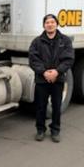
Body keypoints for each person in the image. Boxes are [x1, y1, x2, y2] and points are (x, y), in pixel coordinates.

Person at [28, 14, 75, 143]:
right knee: (40, 106)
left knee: (56, 106)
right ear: (44, 25)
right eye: (47, 22)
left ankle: (55, 130)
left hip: (57, 79)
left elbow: (69, 59)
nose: (50, 24)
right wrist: (44, 72)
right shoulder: (37, 42)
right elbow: (33, 59)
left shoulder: (65, 41)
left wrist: (56, 72)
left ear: (56, 24)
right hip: (42, 79)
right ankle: (40, 130)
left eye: (52, 22)